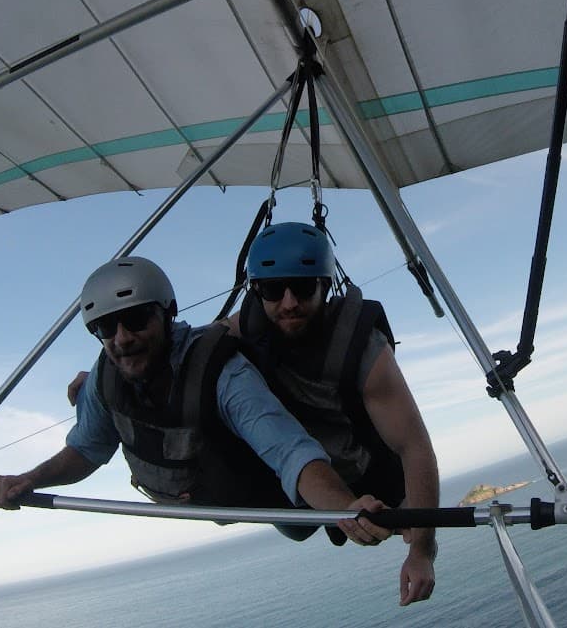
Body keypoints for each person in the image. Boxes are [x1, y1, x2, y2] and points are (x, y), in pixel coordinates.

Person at [69, 225, 441, 606]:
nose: (289, 302)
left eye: (304, 288)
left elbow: (414, 447)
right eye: (273, 289)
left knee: (391, 520)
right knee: (293, 522)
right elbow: (175, 348)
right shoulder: (242, 326)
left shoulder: (366, 353)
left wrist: (422, 552)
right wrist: (106, 373)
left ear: (325, 287)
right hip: (296, 473)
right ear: (256, 291)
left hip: (364, 476)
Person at [0, 256, 390, 551]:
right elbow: (86, 450)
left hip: (262, 494)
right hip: (206, 496)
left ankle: (343, 501)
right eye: (106, 327)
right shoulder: (106, 376)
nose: (122, 337)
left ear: (168, 314)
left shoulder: (222, 374)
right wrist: (30, 479)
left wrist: (343, 509)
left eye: (137, 319)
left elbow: (289, 452)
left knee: (300, 526)